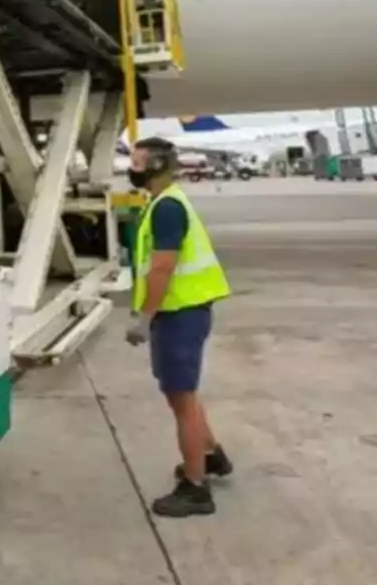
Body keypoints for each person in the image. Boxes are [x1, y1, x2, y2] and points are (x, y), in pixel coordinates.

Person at [125, 136, 233, 517]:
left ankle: (196, 488)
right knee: (180, 394)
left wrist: (145, 317)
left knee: (181, 399)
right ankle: (210, 455)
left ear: (154, 167)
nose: (131, 169)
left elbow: (162, 267)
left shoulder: (166, 208)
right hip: (185, 311)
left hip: (179, 313)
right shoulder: (163, 201)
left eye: (137, 163)